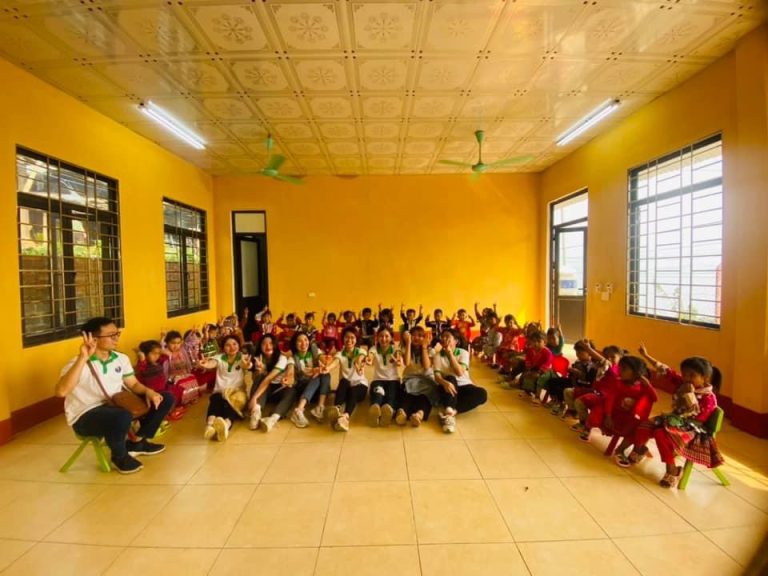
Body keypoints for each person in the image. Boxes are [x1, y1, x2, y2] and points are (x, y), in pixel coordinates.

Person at [55, 317, 173, 474]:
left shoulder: (120, 359)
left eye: (117, 333)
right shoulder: (77, 363)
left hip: (116, 404)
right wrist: (83, 357)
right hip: (86, 415)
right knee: (121, 415)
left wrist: (149, 392)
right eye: (111, 335)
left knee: (166, 398)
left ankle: (137, 442)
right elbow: (61, 391)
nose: (116, 338)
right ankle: (119, 457)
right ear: (94, 339)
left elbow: (133, 384)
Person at [622, 346, 723, 488]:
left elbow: (695, 417)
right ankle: (640, 450)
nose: (687, 378)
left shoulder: (709, 398)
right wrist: (646, 355)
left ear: (704, 378)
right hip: (674, 420)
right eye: (685, 374)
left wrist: (690, 395)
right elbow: (666, 370)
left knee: (660, 434)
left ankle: (672, 470)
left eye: (692, 375)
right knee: (644, 425)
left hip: (693, 429)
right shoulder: (682, 382)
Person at [432, 328, 487, 433]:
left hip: (464, 386)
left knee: (482, 394)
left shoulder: (463, 353)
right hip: (447, 387)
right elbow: (437, 377)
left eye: (447, 336)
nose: (444, 339)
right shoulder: (438, 355)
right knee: (450, 378)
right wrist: (445, 383)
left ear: (456, 341)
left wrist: (450, 354)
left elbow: (459, 372)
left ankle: (452, 412)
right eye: (442, 336)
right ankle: (449, 412)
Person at [198, 335, 252, 441]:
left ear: (239, 345)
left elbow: (246, 365)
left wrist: (247, 365)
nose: (232, 347)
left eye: (234, 344)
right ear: (223, 348)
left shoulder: (242, 357)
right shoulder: (219, 357)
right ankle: (210, 427)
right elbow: (212, 363)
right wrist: (205, 364)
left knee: (231, 405)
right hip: (220, 391)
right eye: (228, 345)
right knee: (215, 400)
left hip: (236, 393)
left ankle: (225, 426)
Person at [247, 334, 296, 432]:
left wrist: (254, 398)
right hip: (267, 391)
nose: (268, 346)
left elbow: (269, 378)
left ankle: (273, 419)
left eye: (271, 343)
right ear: (260, 346)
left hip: (280, 389)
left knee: (292, 391)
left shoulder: (282, 358)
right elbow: (255, 380)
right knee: (260, 377)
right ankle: (256, 412)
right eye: (264, 344)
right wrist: (259, 371)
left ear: (275, 345)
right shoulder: (258, 358)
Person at [327, 328, 369, 432]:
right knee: (344, 381)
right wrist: (327, 368)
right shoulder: (340, 354)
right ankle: (336, 409)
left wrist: (358, 364)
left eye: (352, 337)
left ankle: (346, 416)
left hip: (360, 386)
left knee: (354, 390)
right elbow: (335, 362)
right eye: (346, 337)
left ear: (356, 339)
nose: (349, 340)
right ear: (343, 339)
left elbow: (361, 357)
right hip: (345, 389)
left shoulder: (361, 351)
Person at [397, 326, 437, 427]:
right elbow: (406, 363)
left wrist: (424, 347)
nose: (416, 338)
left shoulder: (430, 350)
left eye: (420, 336)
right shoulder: (405, 348)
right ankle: (402, 413)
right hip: (410, 379)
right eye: (413, 335)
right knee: (407, 395)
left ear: (424, 338)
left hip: (426, 379)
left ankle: (419, 415)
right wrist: (408, 343)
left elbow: (427, 366)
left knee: (424, 397)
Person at [290, 332, 332, 426]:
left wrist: (326, 361)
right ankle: (298, 410)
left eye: (305, 340)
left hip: (318, 392)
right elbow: (293, 374)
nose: (303, 343)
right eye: (299, 341)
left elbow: (322, 358)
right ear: (295, 344)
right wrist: (313, 371)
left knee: (325, 374)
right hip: (302, 390)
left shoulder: (314, 350)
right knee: (316, 377)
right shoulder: (293, 358)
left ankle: (320, 407)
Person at [366, 327, 403, 426]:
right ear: (377, 337)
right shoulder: (374, 348)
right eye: (381, 336)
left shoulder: (395, 349)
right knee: (378, 395)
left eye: (387, 336)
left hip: (393, 380)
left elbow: (398, 357)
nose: (384, 339)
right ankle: (375, 410)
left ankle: (388, 411)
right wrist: (369, 360)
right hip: (378, 380)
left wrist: (398, 361)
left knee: (391, 395)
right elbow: (371, 355)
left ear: (391, 338)